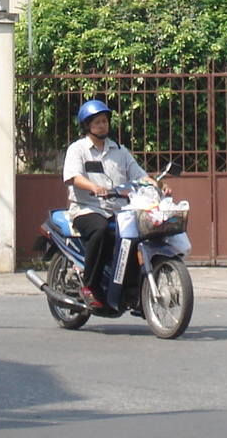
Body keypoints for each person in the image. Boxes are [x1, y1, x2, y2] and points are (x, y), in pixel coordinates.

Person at [62, 99, 163, 310]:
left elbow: (139, 175)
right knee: (100, 231)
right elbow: (73, 177)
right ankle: (89, 285)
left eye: (105, 121)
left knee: (136, 237)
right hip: (86, 208)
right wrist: (93, 187)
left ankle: (131, 290)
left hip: (118, 211)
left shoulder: (119, 150)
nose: (102, 125)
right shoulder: (78, 149)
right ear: (87, 125)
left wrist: (157, 184)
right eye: (97, 122)